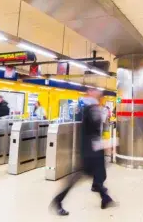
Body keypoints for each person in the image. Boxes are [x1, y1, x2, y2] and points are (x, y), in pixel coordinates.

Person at [50, 88, 116, 216]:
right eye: (95, 91)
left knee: (95, 176)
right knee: (79, 177)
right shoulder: (89, 109)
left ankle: (105, 198)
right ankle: (57, 200)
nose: (98, 93)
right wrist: (105, 144)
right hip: (90, 151)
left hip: (92, 150)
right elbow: (92, 133)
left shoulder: (92, 108)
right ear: (89, 93)